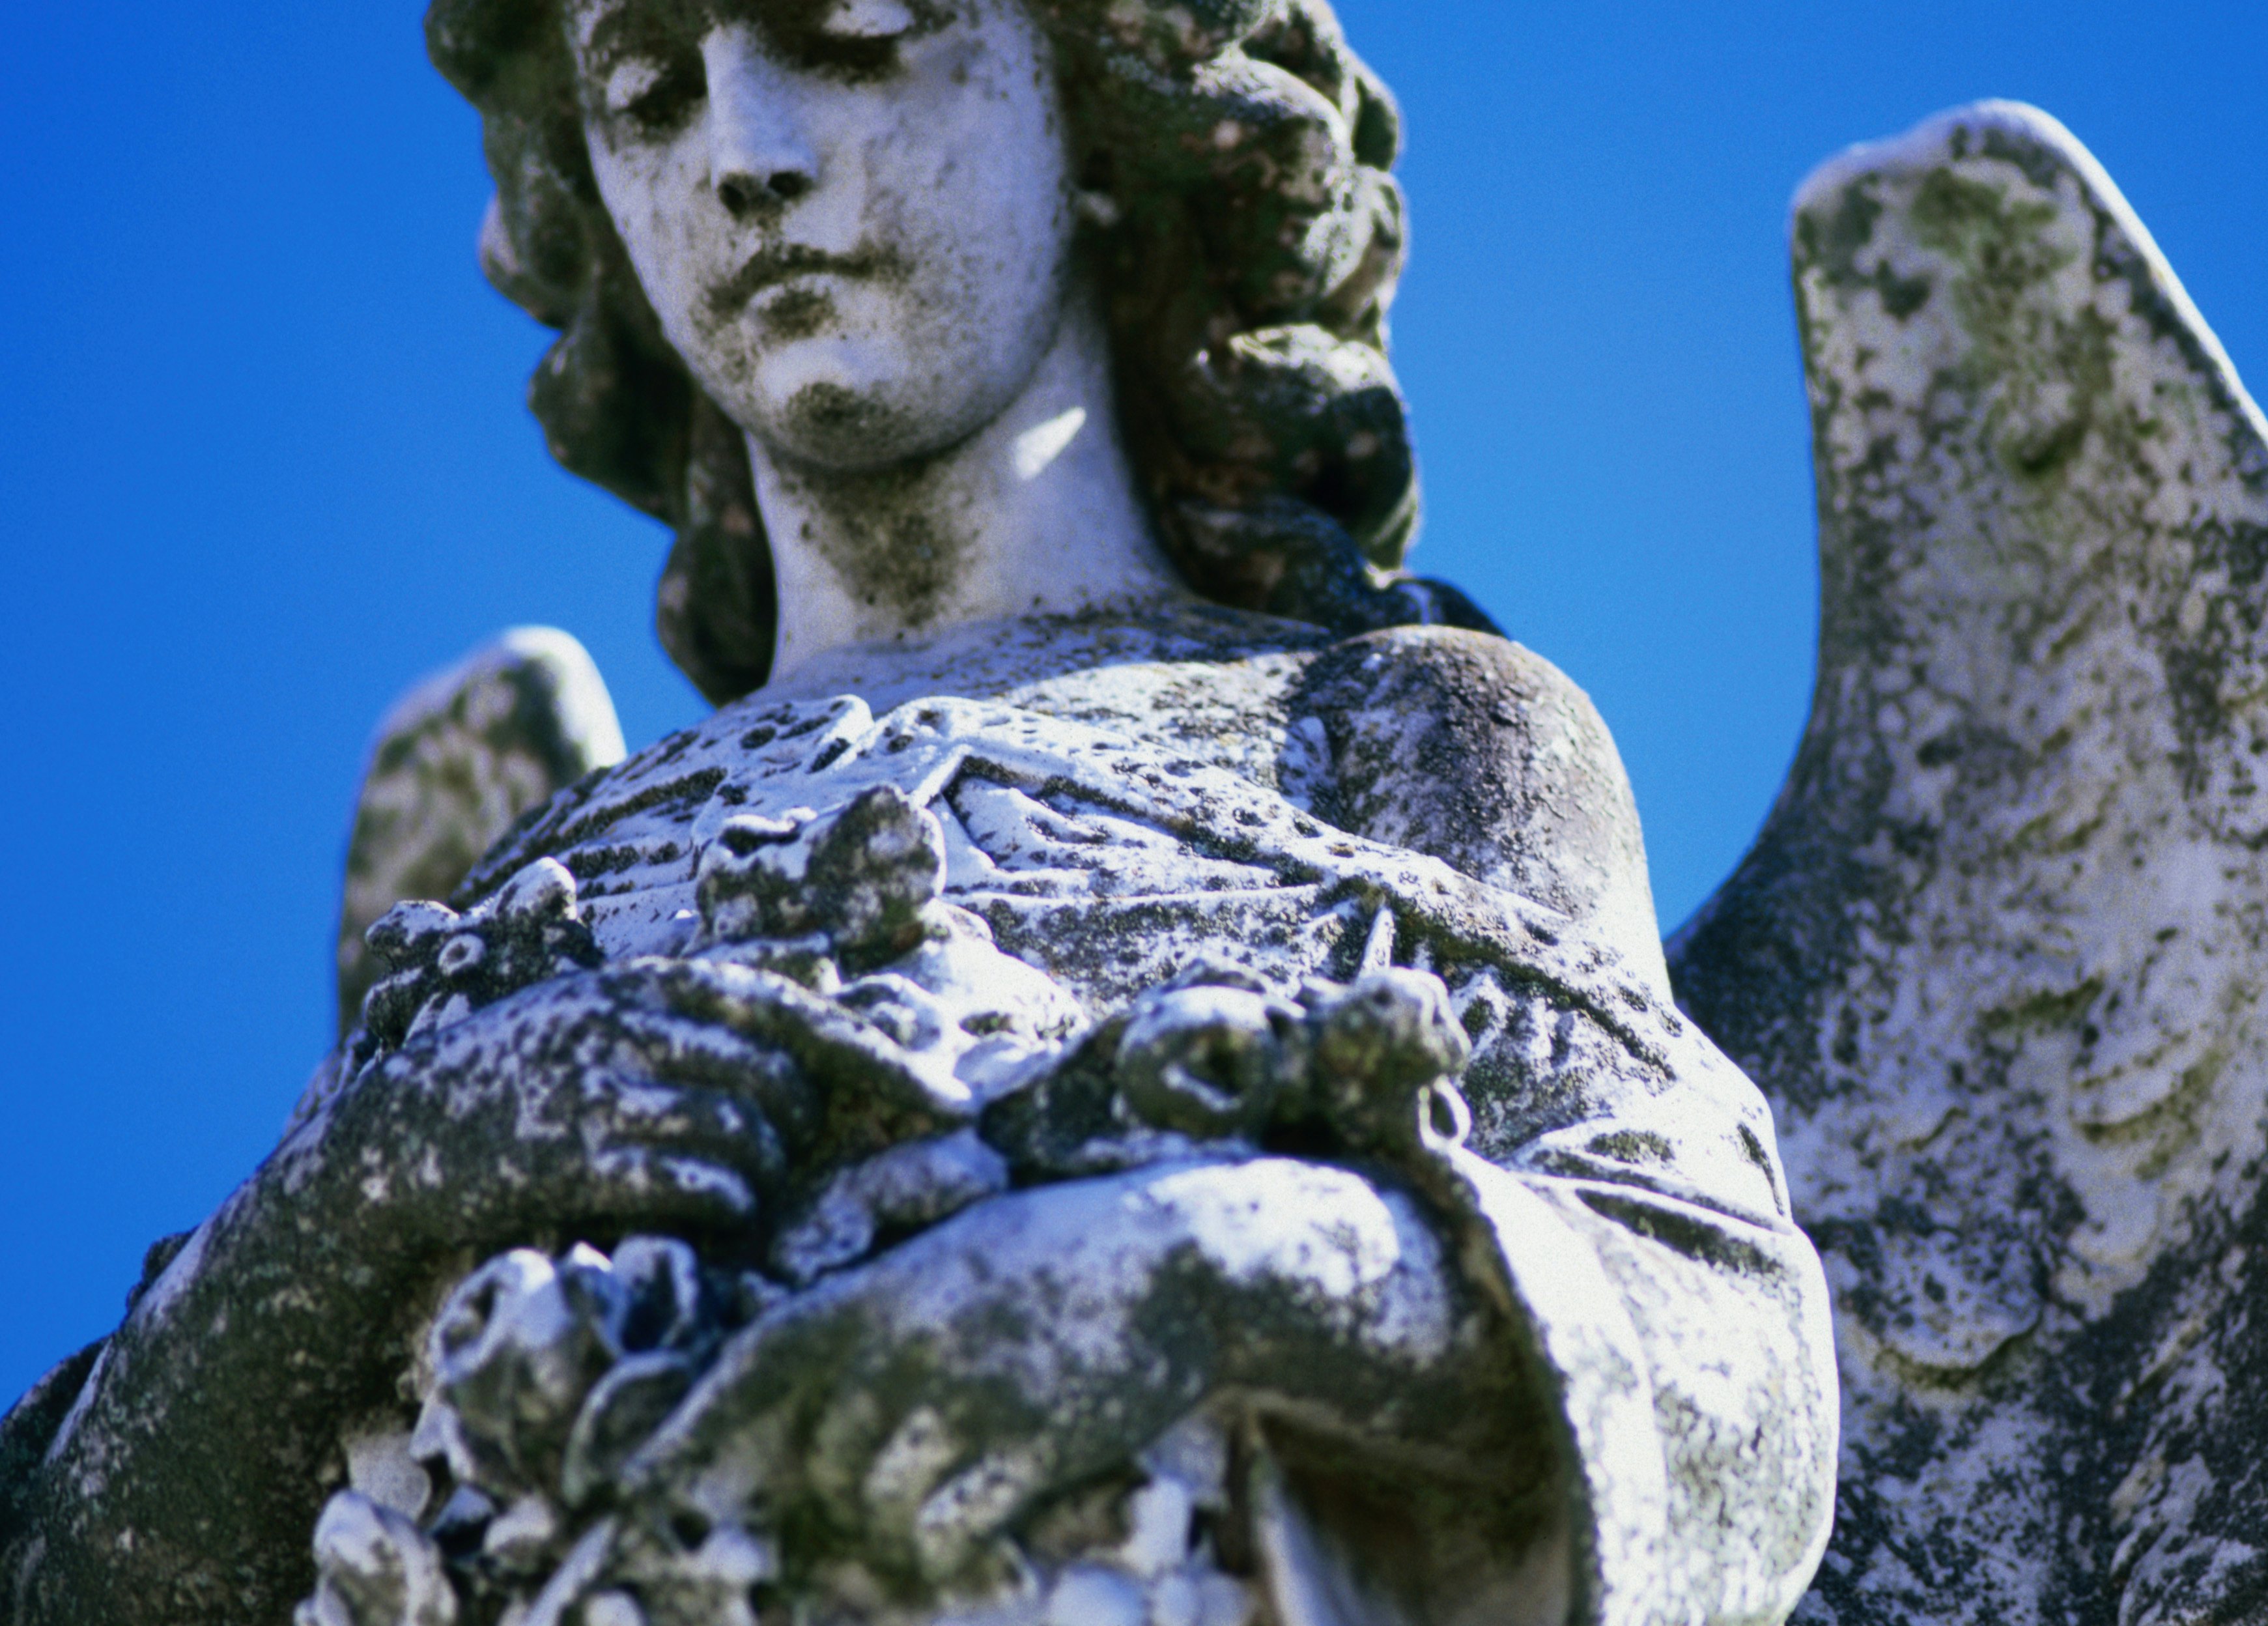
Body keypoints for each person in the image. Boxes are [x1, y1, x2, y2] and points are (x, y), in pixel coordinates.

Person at [0, 2, 1837, 1621]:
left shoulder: (1385, 736)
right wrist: (350, 1205)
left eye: (853, 37)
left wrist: (1188, 1273)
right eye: (648, 89)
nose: (746, 157)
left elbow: (1714, 1350)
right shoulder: (533, 889)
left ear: (1107, 107)